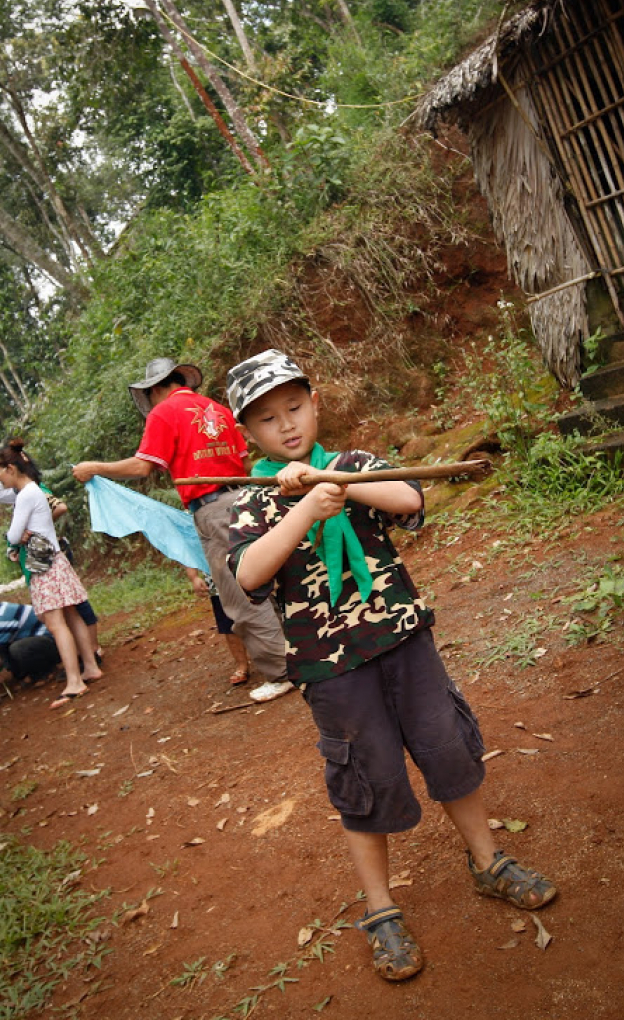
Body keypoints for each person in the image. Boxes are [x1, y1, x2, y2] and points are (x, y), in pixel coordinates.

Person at [225, 349, 558, 983]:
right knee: (364, 777)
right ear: (249, 435)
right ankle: (380, 909)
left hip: (405, 642)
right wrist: (299, 507)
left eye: (295, 407)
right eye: (268, 419)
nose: (287, 425)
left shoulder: (354, 465)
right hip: (331, 669)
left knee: (448, 748)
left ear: (314, 403)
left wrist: (336, 485)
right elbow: (247, 575)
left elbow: (407, 498)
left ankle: (487, 861)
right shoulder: (254, 500)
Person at [72, 357, 290, 702]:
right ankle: (297, 654)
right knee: (266, 580)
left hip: (212, 509)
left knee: (241, 592)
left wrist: (95, 467)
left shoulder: (164, 413)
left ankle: (281, 671)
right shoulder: (217, 408)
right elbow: (244, 459)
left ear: (157, 387)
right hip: (245, 498)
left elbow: (143, 467)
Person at [0, 440, 102, 708]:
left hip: (44, 566)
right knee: (71, 614)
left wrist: (18, 535)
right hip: (55, 559)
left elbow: (13, 535)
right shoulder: (33, 491)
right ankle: (90, 666)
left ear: (11, 469)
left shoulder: (26, 495)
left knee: (55, 624)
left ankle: (75, 681)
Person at [184, 567, 249, 685]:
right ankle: (242, 665)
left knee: (263, 612)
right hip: (217, 582)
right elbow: (189, 550)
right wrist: (194, 577)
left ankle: (277, 655)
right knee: (228, 625)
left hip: (249, 570)